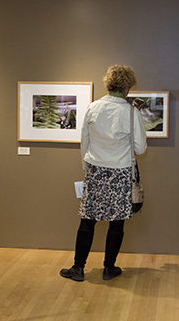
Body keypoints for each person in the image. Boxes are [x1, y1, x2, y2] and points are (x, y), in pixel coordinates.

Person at [60, 64, 147, 282]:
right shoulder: (130, 112)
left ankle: (78, 268)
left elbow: (85, 143)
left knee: (87, 220)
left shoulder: (93, 108)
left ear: (108, 84)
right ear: (127, 88)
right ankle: (109, 268)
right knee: (117, 223)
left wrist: (86, 169)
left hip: (95, 170)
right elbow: (140, 148)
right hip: (120, 172)